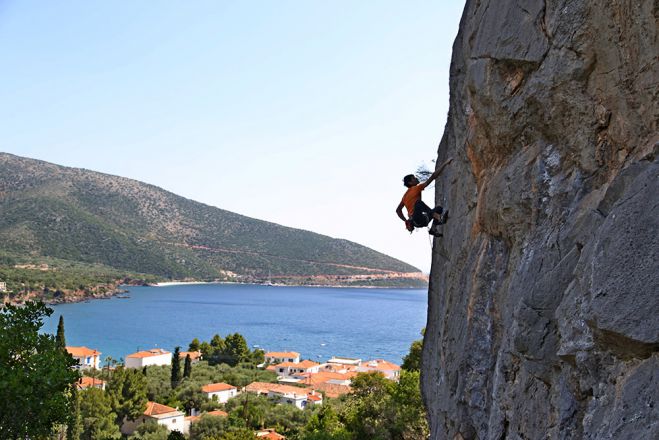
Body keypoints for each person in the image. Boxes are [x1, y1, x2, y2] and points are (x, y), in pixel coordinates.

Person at [396, 158, 453, 236]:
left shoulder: (404, 196)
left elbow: (398, 210)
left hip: (419, 221)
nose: (416, 178)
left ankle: (433, 229)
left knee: (438, 209)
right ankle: (439, 217)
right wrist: (445, 163)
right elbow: (433, 177)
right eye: (414, 178)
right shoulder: (415, 188)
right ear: (410, 182)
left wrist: (406, 220)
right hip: (417, 218)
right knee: (418, 203)